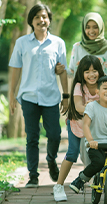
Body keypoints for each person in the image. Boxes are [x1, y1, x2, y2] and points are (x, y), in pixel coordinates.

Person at [55, 12, 107, 198]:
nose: (91, 31)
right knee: (78, 151)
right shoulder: (77, 47)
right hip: (81, 111)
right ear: (84, 28)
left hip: (104, 102)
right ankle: (61, 185)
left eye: (95, 27)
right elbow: (72, 71)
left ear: (101, 28)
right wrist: (66, 92)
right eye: (88, 27)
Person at [8, 4, 69, 188]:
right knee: (32, 138)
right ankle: (33, 175)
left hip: (51, 97)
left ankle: (51, 160)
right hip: (29, 97)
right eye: (37, 17)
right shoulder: (22, 43)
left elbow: (63, 70)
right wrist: (11, 95)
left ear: (49, 20)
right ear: (31, 22)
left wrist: (66, 95)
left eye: (44, 17)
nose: (41, 20)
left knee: (55, 135)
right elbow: (16, 70)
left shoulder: (58, 43)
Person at [53, 55, 107, 201]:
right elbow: (78, 107)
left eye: (94, 70)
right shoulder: (79, 87)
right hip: (76, 124)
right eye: (87, 71)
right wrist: (94, 107)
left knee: (102, 152)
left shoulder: (103, 86)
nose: (91, 75)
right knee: (72, 153)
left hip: (94, 126)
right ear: (81, 73)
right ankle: (58, 186)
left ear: (100, 71)